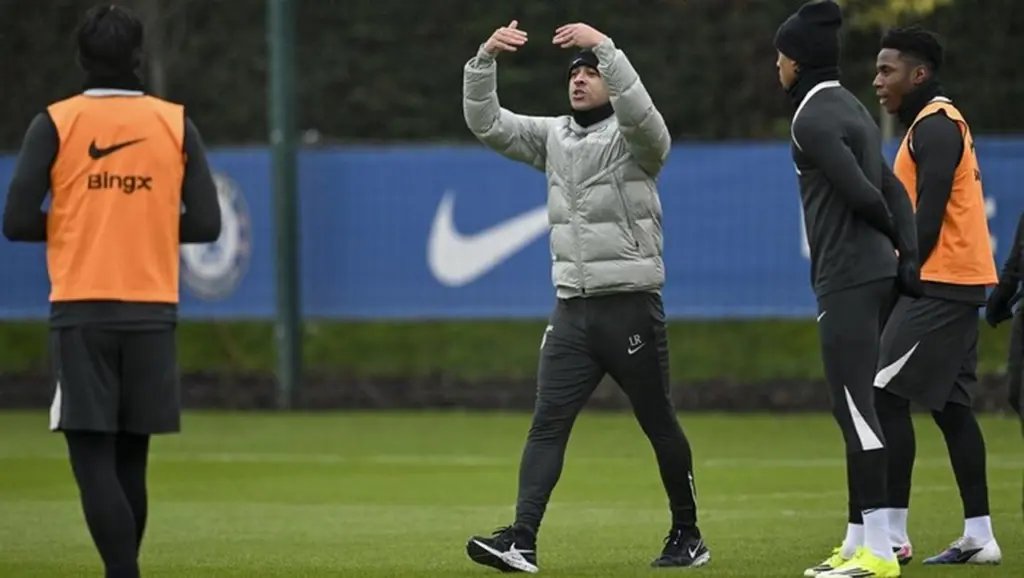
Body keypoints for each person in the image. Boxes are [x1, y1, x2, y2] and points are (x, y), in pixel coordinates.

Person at [460, 19, 707, 573]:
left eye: (590, 73)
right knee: (547, 422)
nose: (580, 79)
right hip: (572, 311)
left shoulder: (634, 139)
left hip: (629, 308)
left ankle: (687, 533)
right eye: (574, 71)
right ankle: (521, 540)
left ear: (611, 82)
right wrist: (484, 61)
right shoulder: (554, 137)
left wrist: (604, 47)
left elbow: (648, 120)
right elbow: (487, 123)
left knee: (658, 421)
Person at [1, 5, 221, 577]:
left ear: (80, 59)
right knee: (132, 457)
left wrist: (86, 217)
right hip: (152, 307)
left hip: (83, 307)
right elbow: (206, 226)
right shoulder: (175, 123)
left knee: (90, 454)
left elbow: (18, 220)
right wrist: (138, 219)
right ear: (137, 58)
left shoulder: (55, 122)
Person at [773, 2, 924, 577]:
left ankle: (880, 556)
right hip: (874, 277)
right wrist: (905, 257)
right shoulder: (853, 108)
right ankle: (857, 538)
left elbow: (865, 194)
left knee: (857, 413)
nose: (777, 69)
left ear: (799, 61)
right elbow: (895, 191)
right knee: (858, 411)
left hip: (847, 280)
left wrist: (892, 241)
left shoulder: (810, 118)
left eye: (781, 59)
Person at [870, 25, 1003, 566]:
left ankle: (894, 535)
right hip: (955, 279)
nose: (877, 80)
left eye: (887, 70)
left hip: (941, 282)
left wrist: (906, 270)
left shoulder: (937, 125)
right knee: (951, 407)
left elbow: (930, 209)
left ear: (918, 74)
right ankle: (980, 537)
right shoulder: (929, 125)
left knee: (884, 393)